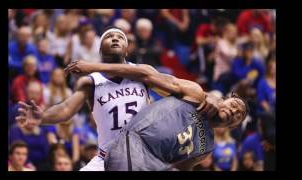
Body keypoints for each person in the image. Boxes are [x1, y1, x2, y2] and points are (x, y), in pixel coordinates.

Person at [61, 60, 248, 171]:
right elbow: (146, 74)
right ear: (223, 99)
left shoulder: (207, 147)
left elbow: (177, 168)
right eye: (234, 104)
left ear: (232, 127)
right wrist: (94, 67)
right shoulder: (196, 94)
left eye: (239, 115)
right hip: (135, 145)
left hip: (153, 164)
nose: (235, 111)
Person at [15, 27, 152, 171]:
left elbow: (174, 86)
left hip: (141, 156)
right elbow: (66, 109)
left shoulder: (143, 73)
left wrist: (92, 66)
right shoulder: (91, 81)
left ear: (126, 50)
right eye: (109, 36)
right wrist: (43, 117)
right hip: (106, 159)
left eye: (120, 37)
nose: (115, 38)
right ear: (100, 50)